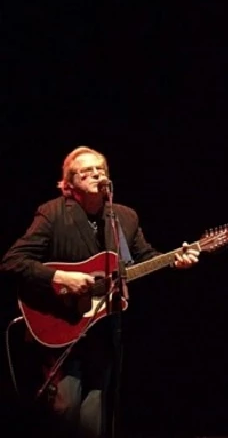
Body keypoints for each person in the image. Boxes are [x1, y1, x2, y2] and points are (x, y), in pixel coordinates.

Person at [0, 146, 200, 438]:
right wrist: (59, 276)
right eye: (87, 172)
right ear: (68, 185)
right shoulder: (53, 213)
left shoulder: (124, 216)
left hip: (105, 326)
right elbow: (12, 261)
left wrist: (175, 261)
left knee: (97, 408)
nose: (97, 175)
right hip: (62, 323)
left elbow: (143, 258)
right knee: (66, 408)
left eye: (101, 169)